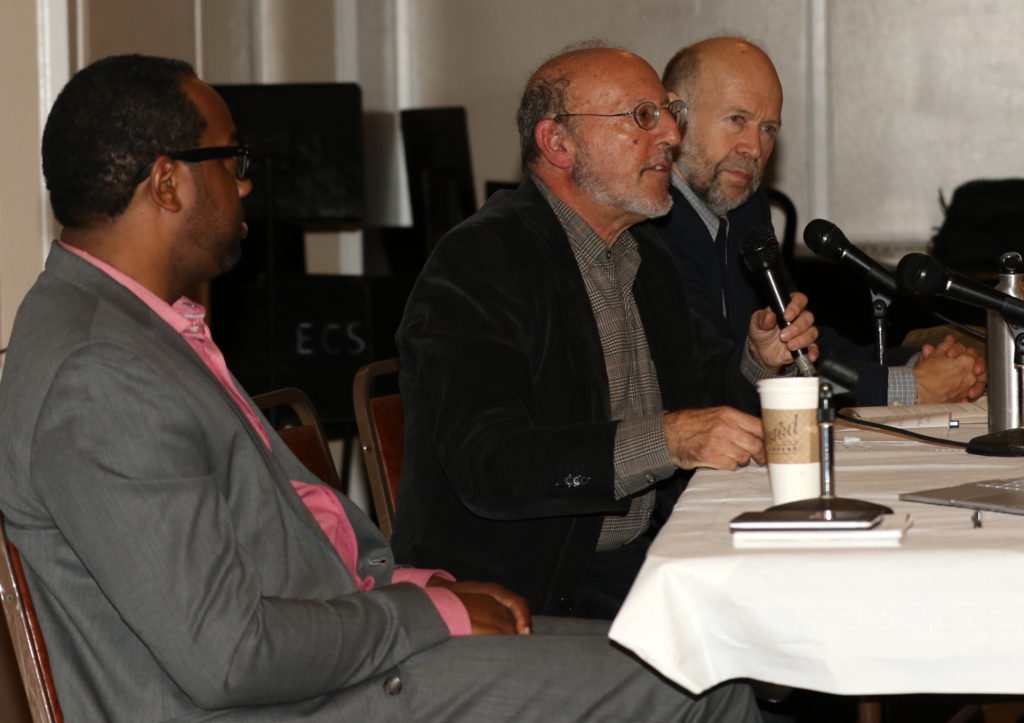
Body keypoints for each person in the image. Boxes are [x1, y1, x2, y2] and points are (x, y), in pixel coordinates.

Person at [0, 54, 762, 722]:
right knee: (701, 689)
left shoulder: (137, 326)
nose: (246, 180)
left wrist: (404, 582)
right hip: (284, 700)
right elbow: (228, 655)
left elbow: (278, 542)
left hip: (333, 651)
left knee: (698, 658)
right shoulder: (97, 372)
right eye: (232, 161)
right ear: (167, 183)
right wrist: (422, 608)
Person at [392, 45, 817, 621]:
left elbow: (701, 392)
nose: (671, 132)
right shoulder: (481, 261)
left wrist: (757, 360)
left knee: (818, 605)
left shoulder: (644, 254)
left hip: (642, 558)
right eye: (643, 116)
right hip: (528, 590)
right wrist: (665, 440)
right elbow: (490, 465)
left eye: (668, 112)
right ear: (558, 143)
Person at [657, 36, 986, 407]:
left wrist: (917, 364)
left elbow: (802, 346)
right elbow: (718, 377)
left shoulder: (745, 208)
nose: (753, 148)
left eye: (768, 129)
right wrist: (911, 386)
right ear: (675, 115)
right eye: (737, 119)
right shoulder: (651, 223)